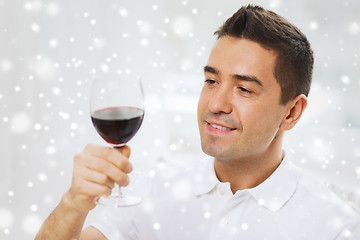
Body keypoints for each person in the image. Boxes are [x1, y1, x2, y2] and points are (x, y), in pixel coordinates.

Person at [35, 4, 360, 240]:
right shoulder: (154, 191)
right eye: (211, 81)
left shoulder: (333, 226)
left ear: (292, 113)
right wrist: (73, 203)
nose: (216, 104)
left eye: (244, 89)